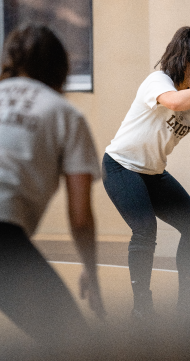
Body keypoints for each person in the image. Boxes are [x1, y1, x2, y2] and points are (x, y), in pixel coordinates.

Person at [102, 26, 190, 320]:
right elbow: (175, 102)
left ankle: (189, 299)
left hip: (153, 174)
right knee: (145, 229)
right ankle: (141, 306)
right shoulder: (158, 81)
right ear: (187, 63)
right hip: (121, 167)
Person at [0, 25, 105, 349]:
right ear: (60, 67)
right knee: (74, 345)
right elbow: (80, 217)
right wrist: (90, 270)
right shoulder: (66, 115)